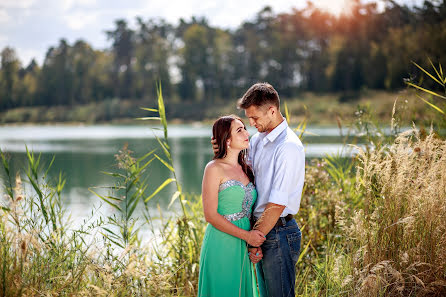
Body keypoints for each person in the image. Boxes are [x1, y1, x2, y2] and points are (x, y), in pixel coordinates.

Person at [213, 83, 305, 297]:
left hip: (278, 232)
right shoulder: (257, 140)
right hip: (261, 231)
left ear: (272, 111)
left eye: (255, 118)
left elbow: (276, 205)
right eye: (248, 119)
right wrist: (221, 150)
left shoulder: (288, 146)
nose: (251, 124)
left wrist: (255, 240)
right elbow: (243, 177)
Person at [198, 115, 265, 297]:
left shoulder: (246, 168)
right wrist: (247, 236)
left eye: (244, 128)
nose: (246, 133)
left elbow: (251, 211)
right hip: (221, 242)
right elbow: (210, 215)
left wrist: (253, 245)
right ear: (227, 140)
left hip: (244, 244)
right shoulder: (213, 168)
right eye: (239, 130)